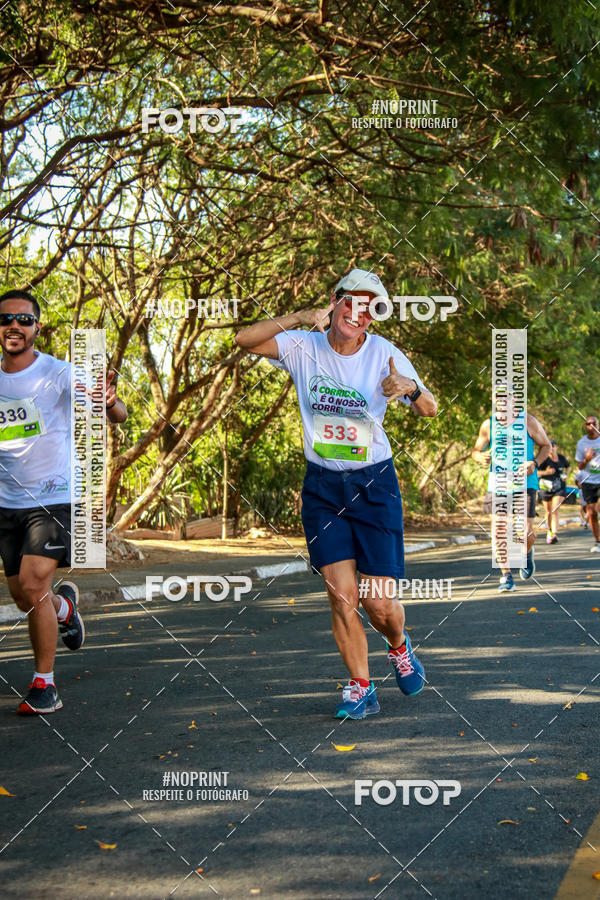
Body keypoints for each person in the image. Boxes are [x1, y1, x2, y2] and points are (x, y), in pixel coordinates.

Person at [235, 268, 437, 719]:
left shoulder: (386, 354)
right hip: (323, 486)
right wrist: (301, 316)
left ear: (373, 318)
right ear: (335, 301)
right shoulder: (303, 346)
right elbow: (244, 340)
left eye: (368, 308)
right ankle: (360, 688)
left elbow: (430, 408)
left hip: (374, 484)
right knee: (342, 596)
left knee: (378, 603)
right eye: (351, 302)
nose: (357, 313)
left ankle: (399, 646)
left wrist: (410, 387)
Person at [0, 289, 128, 714]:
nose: (13, 326)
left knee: (34, 582)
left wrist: (109, 400)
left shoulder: (57, 372)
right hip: (7, 503)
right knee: (22, 595)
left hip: (54, 498)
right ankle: (64, 608)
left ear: (37, 327)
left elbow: (116, 413)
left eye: (23, 319)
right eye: (5, 320)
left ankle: (44, 685)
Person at [472, 391, 551, 592]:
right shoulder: (488, 425)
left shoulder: (529, 421)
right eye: (497, 396)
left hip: (525, 483)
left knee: (526, 533)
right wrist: (479, 457)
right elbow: (475, 451)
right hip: (498, 484)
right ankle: (506, 576)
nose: (501, 399)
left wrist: (535, 463)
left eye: (505, 395)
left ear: (514, 399)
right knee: (500, 530)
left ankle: (525, 554)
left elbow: (546, 446)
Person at [575, 415, 600, 551]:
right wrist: (586, 459)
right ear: (585, 426)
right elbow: (579, 466)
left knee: (598, 508)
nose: (591, 425)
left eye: (594, 423)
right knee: (591, 513)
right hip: (588, 480)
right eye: (588, 423)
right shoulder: (581, 443)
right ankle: (598, 542)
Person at [537, 441, 569, 543]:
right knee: (548, 511)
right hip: (546, 487)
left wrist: (566, 475)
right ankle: (549, 531)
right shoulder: (543, 459)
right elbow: (535, 472)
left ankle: (554, 533)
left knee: (554, 509)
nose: (551, 449)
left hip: (559, 487)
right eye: (549, 447)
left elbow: (567, 466)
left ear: (556, 447)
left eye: (552, 447)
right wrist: (546, 472)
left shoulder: (561, 458)